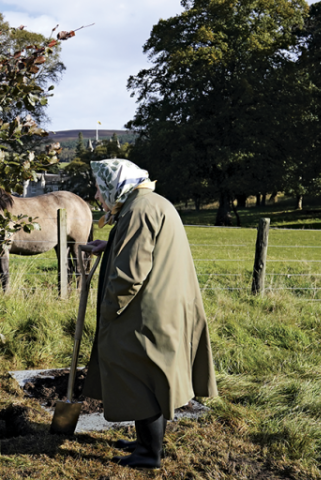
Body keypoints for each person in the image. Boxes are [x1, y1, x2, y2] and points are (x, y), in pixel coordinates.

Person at [81, 159, 217, 469]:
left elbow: (130, 274)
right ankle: (145, 442)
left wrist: (108, 310)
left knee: (140, 376)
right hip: (163, 303)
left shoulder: (138, 211)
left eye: (103, 188)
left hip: (147, 311)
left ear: (116, 185)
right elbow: (141, 247)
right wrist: (111, 243)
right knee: (149, 375)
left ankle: (148, 455)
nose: (100, 195)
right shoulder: (148, 202)